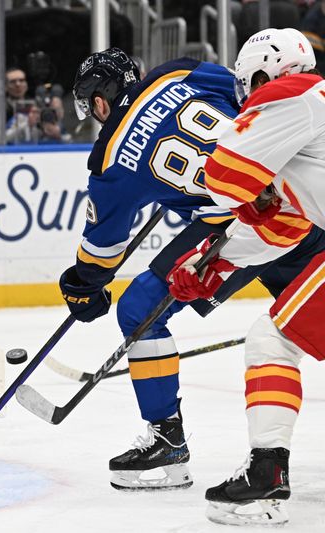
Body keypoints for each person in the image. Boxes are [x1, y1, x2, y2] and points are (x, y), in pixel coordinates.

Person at [63, 46, 325, 492]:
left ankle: (166, 441)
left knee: (139, 311)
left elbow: (103, 248)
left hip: (239, 224)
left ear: (99, 101)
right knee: (307, 320)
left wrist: (83, 286)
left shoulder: (110, 159)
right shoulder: (180, 71)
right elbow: (252, 99)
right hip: (294, 197)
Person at [165, 28, 323, 526]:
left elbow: (225, 172)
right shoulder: (310, 125)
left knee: (273, 342)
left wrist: (246, 205)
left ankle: (266, 478)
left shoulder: (294, 93)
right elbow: (287, 226)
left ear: (264, 72)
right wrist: (218, 261)